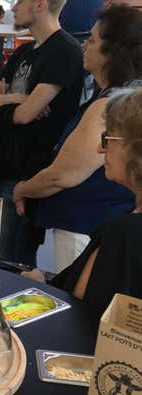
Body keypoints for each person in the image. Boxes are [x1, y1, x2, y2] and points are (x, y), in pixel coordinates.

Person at [12, 5, 142, 271]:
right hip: (99, 221)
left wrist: (21, 189)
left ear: (113, 53)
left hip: (85, 225)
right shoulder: (117, 96)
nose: (85, 45)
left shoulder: (108, 107)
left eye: (93, 40)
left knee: (77, 303)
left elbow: (63, 175)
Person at [0, 0, 84, 267]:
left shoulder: (65, 51)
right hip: (6, 162)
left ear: (39, 4)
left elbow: (25, 116)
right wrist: (16, 98)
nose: (13, 7)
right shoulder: (23, 53)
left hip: (29, 171)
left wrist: (6, 103)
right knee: (3, 257)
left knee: (12, 261)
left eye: (20, 1)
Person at [21, 86, 142, 318]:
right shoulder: (127, 219)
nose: (99, 148)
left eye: (107, 139)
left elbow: (79, 317)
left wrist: (39, 289)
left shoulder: (124, 233)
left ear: (135, 149)